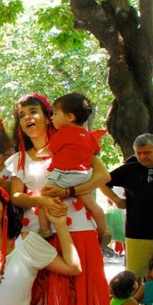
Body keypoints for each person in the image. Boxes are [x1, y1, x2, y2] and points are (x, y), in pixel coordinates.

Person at [7, 92, 115, 305]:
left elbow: (102, 174)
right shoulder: (18, 159)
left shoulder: (71, 145)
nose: (28, 118)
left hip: (78, 228)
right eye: (22, 114)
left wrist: (68, 193)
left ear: (47, 116)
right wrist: (40, 198)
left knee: (83, 294)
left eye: (35, 112)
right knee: (46, 299)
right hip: (40, 236)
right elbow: (16, 196)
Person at [34, 93, 109, 243]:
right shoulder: (88, 136)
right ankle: (104, 229)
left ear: (70, 117)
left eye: (55, 114)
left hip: (64, 174)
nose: (52, 118)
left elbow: (50, 149)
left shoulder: (64, 133)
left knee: (43, 198)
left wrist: (39, 153)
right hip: (83, 175)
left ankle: (45, 229)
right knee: (92, 204)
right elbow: (96, 150)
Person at [102, 133, 153, 278]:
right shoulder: (129, 170)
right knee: (134, 275)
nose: (143, 157)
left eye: (147, 152)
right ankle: (134, 301)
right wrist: (116, 200)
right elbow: (102, 181)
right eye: (139, 153)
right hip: (137, 233)